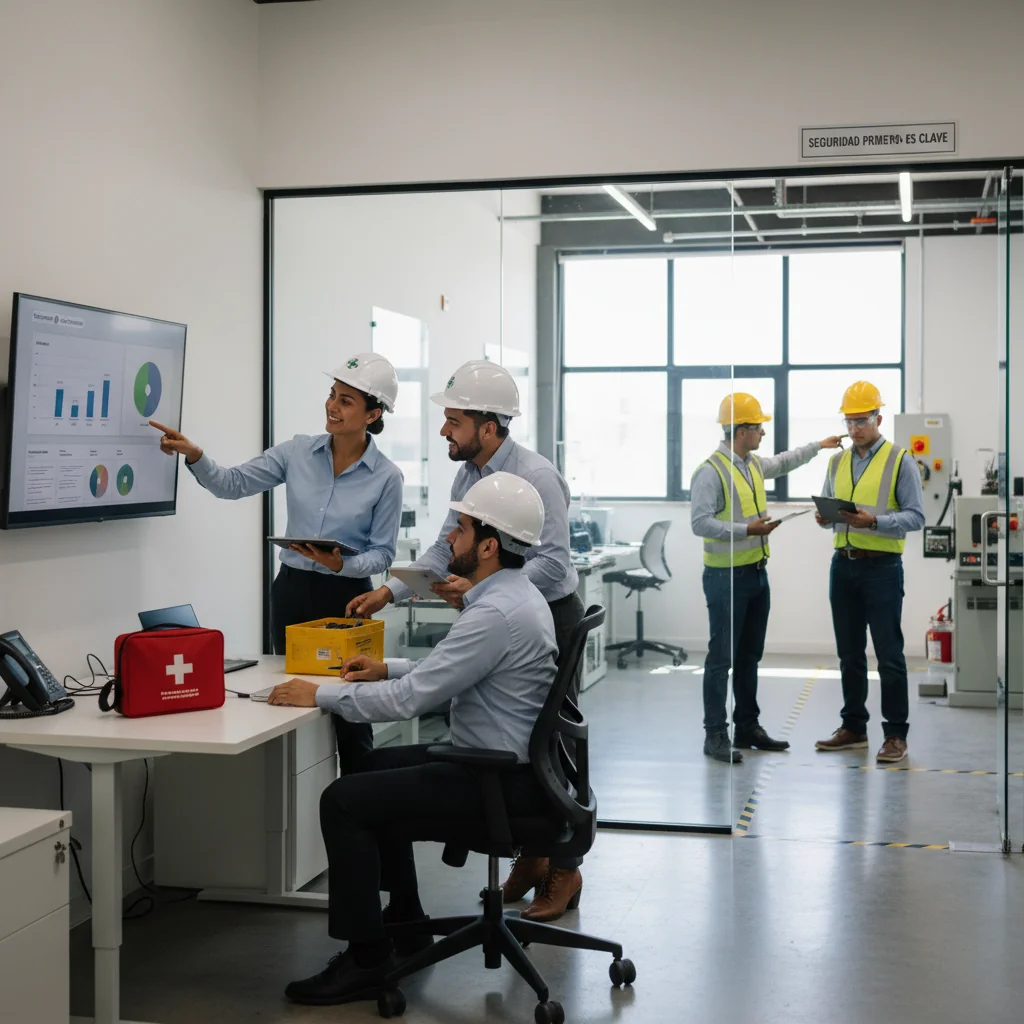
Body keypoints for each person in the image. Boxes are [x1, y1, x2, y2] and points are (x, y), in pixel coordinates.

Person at [266, 473, 557, 1008]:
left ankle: (366, 958)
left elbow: (411, 701)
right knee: (372, 770)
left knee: (344, 801)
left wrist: (319, 695)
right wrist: (387, 667)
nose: (450, 540)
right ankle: (406, 922)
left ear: (489, 546)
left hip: (493, 777)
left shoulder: (492, 612)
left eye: (462, 531)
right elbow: (453, 671)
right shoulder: (515, 596)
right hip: (504, 764)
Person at [347, 359, 585, 920]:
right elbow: (441, 546)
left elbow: (553, 561)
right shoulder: (467, 475)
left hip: (543, 613)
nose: (444, 431)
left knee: (548, 746)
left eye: (454, 421)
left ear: (490, 425)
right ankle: (530, 860)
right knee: (516, 740)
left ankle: (565, 868)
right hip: (501, 607)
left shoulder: (536, 475)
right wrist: (391, 593)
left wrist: (494, 586)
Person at [151, 352, 403, 774]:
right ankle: (297, 809)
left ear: (372, 414)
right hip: (290, 591)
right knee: (291, 699)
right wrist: (196, 455)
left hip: (347, 603)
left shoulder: (386, 476)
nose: (331, 406)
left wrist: (341, 566)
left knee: (351, 715)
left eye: (345, 401)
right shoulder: (298, 451)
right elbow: (233, 484)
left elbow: (383, 554)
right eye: (331, 395)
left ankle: (362, 806)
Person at [691, 392, 844, 763]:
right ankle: (715, 735)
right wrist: (748, 530)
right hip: (726, 578)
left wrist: (818, 446)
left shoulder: (751, 464)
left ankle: (747, 727)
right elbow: (700, 523)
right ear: (741, 430)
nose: (762, 432)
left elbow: (784, 461)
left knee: (749, 657)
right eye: (758, 427)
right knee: (721, 658)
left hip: (756, 575)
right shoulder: (710, 472)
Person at [814, 381, 925, 764]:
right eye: (849, 421)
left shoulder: (900, 460)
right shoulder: (837, 461)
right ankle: (853, 728)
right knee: (849, 654)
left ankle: (895, 734)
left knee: (889, 654)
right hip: (842, 565)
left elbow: (916, 516)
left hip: (881, 569)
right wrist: (824, 518)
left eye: (862, 420)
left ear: (878, 418)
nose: (854, 428)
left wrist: (873, 522)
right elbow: (832, 512)